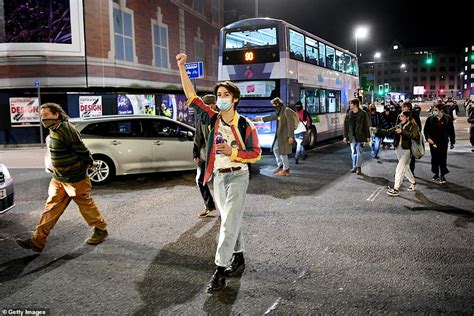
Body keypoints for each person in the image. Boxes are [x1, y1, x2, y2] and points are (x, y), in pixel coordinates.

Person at [176, 53, 261, 293]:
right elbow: (191, 96)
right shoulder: (212, 119)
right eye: (219, 95)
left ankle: (220, 270)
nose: (221, 99)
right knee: (229, 220)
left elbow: (255, 154)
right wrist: (181, 67)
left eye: (225, 95)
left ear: (235, 99)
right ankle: (240, 256)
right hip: (219, 177)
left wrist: (233, 152)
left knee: (228, 223)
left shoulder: (246, 124)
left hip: (238, 175)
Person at [16, 103, 108, 253]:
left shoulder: (65, 128)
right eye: (41, 116)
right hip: (59, 178)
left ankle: (101, 230)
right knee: (51, 208)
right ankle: (37, 241)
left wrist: (88, 163)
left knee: (86, 206)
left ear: (56, 114)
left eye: (46, 115)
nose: (43, 119)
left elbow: (81, 149)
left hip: (74, 178)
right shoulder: (53, 129)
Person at [377, 111, 420, 196]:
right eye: (400, 116)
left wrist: (402, 131)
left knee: (399, 169)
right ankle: (413, 183)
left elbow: (414, 135)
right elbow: (387, 131)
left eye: (402, 116)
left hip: (407, 150)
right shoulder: (399, 125)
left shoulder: (413, 126)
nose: (400, 118)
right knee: (406, 167)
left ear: (407, 117)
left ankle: (396, 189)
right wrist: (376, 130)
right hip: (398, 149)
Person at [257, 97, 295, 176]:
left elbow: (291, 124)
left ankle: (286, 169)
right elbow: (274, 117)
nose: (273, 106)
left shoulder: (286, 111)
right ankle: (281, 165)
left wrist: (291, 136)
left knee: (283, 152)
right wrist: (261, 119)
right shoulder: (280, 111)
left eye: (273, 105)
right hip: (279, 135)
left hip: (285, 135)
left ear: (277, 104)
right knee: (275, 149)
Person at [193, 94, 217, 218]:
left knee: (220, 183)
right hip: (204, 155)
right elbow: (198, 137)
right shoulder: (201, 119)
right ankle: (210, 206)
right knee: (200, 180)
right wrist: (195, 153)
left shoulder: (219, 118)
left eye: (209, 105)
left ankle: (227, 208)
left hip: (218, 157)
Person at [423, 103, 456, 184]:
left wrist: (452, 141)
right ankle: (436, 174)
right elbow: (426, 130)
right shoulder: (430, 118)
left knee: (443, 158)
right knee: (434, 158)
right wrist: (428, 138)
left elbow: (451, 131)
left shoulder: (447, 118)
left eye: (436, 110)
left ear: (441, 111)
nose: (434, 111)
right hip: (433, 142)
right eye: (434, 110)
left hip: (443, 142)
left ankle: (443, 175)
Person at [343, 98, 370, 175]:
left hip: (361, 135)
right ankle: (354, 166)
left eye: (351, 104)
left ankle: (358, 167)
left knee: (360, 152)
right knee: (353, 152)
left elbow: (366, 125)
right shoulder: (349, 113)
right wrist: (345, 136)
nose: (349, 105)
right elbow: (346, 126)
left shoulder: (363, 113)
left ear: (355, 105)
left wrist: (368, 136)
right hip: (352, 136)